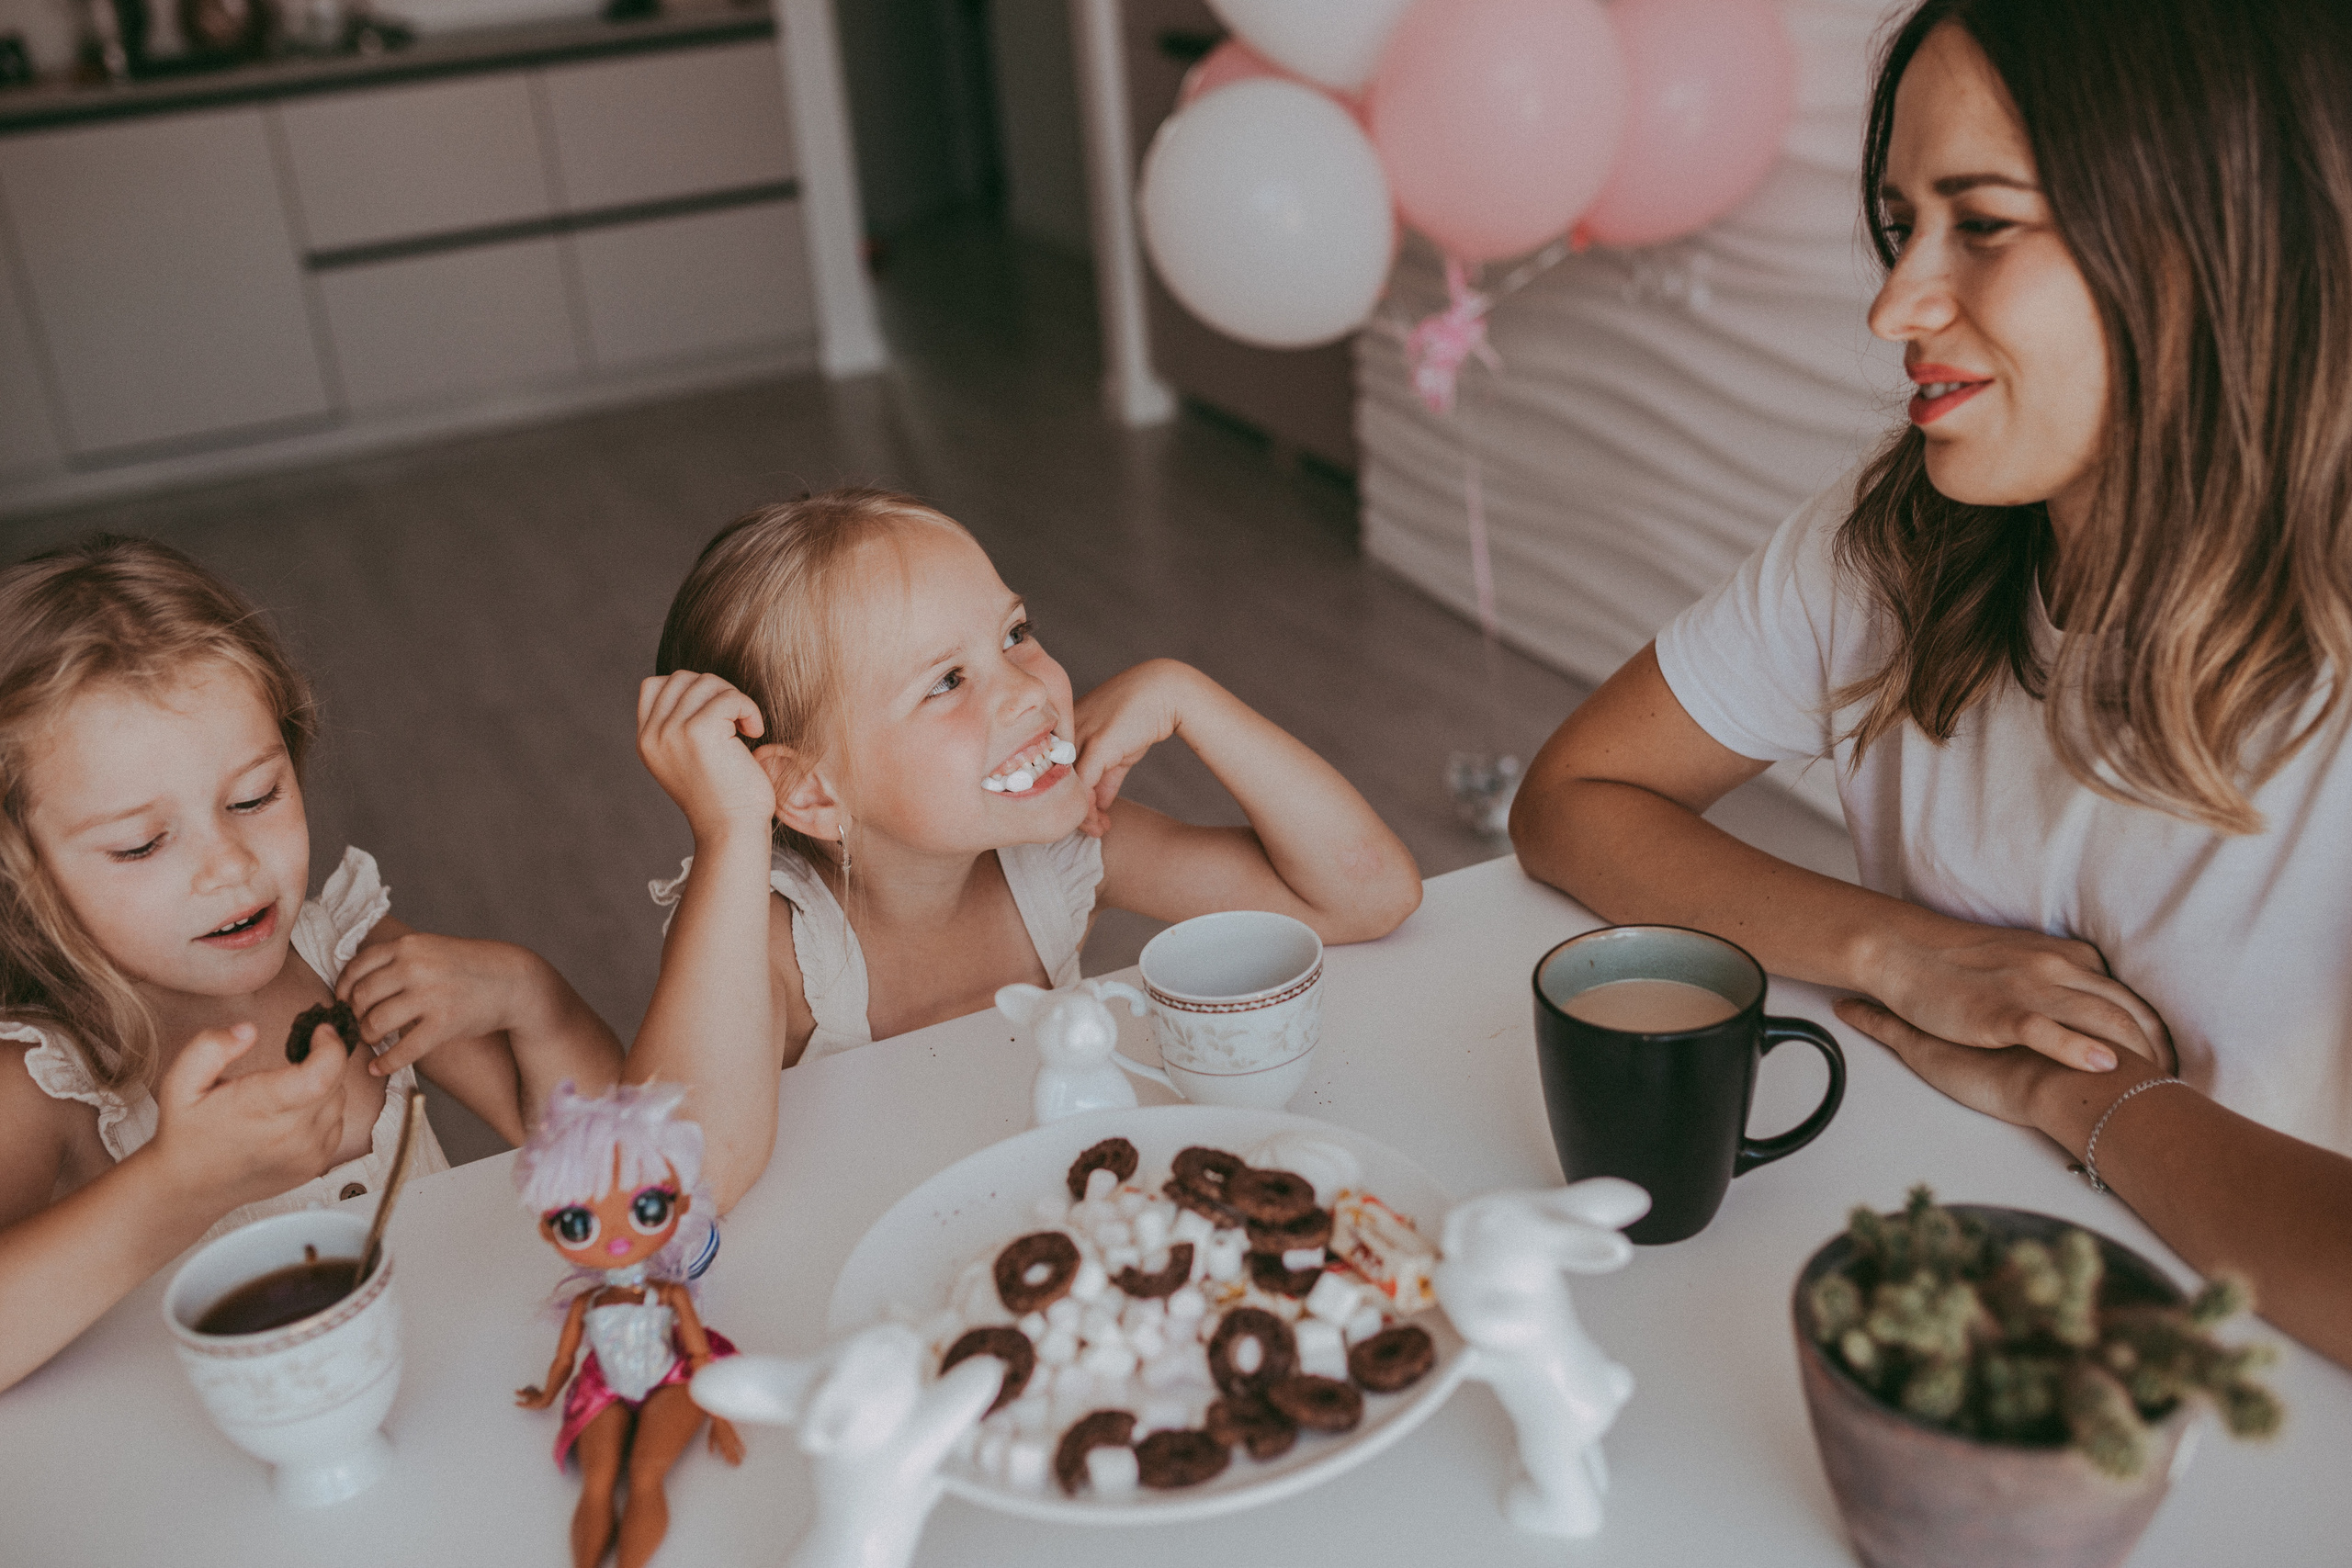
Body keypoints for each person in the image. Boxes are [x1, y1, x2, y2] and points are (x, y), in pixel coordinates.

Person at [1510, 0, 2352, 1368]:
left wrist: (2093, 1106)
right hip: (1938, 1296)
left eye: (1987, 222)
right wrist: (1898, 950)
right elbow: (1573, 797)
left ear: (2213, 243)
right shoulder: (1902, 530)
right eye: (1903, 224)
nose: (1895, 303)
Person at [626, 489, 1423, 1206]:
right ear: (811, 793)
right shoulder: (769, 934)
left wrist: (1186, 692)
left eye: (1015, 633)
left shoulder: (1058, 857)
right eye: (946, 681)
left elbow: (1367, 894)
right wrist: (731, 829)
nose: (1027, 688)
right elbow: (676, 1183)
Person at [0, 537, 623, 1393]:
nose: (230, 865)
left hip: (442, 1391)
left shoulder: (350, 958)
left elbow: (619, 1168)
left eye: (255, 795)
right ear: (19, 875)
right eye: (141, 843)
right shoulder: (49, 1082)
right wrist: (172, 1190)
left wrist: (534, 999)